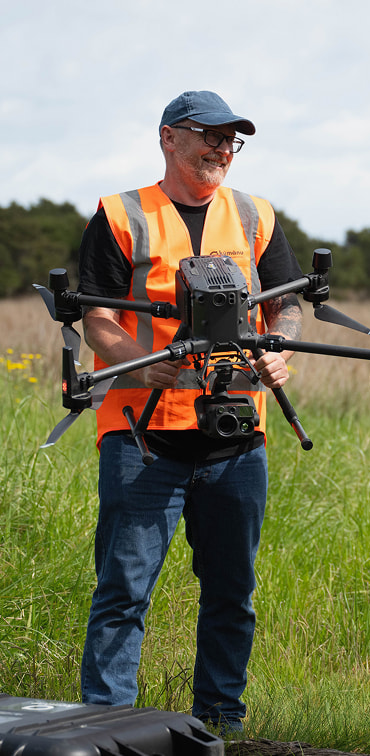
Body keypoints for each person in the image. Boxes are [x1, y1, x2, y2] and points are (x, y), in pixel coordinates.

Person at [77, 90, 304, 732]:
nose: (222, 148)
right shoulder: (122, 214)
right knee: (123, 592)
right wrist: (139, 361)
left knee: (233, 593)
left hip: (236, 437)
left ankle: (220, 723)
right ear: (168, 138)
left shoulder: (257, 214)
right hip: (142, 436)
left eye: (232, 137)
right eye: (208, 135)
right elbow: (95, 317)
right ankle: (106, 727)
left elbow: (285, 303)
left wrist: (280, 351)